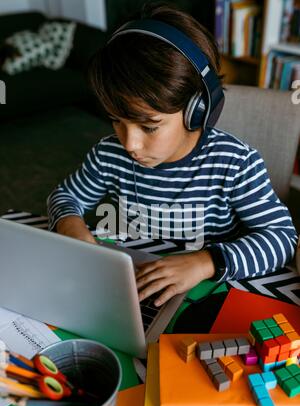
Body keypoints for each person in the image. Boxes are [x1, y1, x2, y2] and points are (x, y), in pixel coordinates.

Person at [47, 2, 298, 308]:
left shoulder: (236, 164)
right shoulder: (107, 155)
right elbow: (64, 196)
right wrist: (69, 223)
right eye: (116, 121)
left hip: (206, 293)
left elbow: (281, 239)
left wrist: (204, 262)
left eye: (148, 127)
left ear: (196, 111)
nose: (130, 144)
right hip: (134, 284)